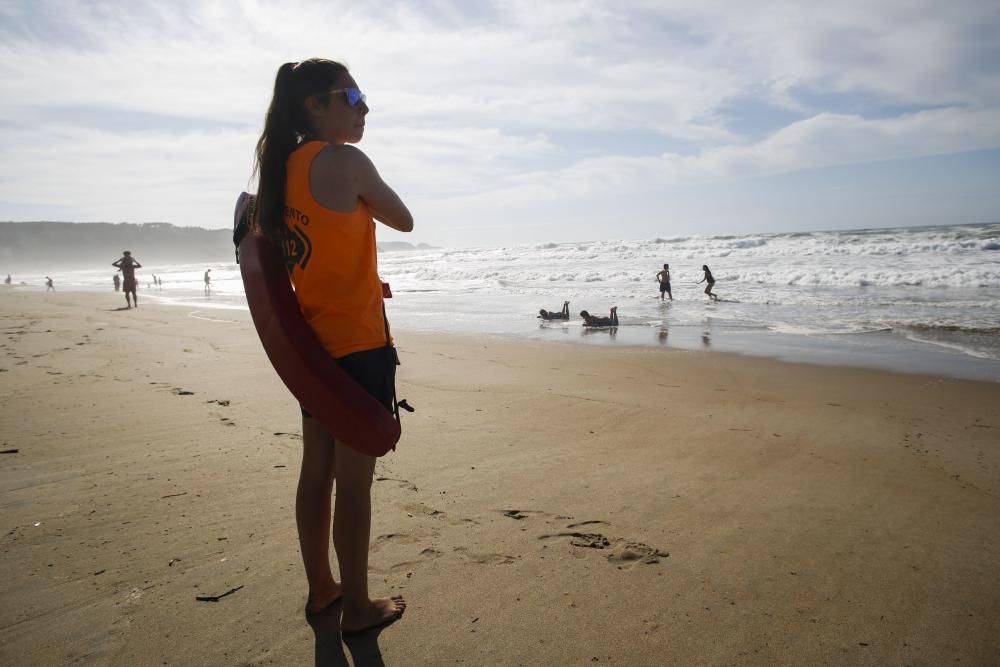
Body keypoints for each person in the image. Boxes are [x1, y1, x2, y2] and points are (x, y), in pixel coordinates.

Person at [252, 58, 412, 633]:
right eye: (353, 95)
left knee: (315, 470)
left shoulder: (279, 175)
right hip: (359, 345)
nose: (364, 107)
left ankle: (323, 590)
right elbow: (404, 218)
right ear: (315, 106)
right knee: (356, 484)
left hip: (312, 351)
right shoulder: (346, 161)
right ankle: (360, 608)